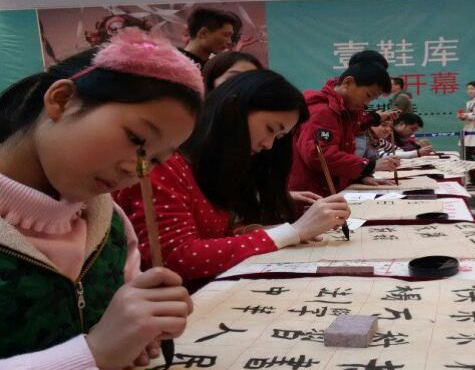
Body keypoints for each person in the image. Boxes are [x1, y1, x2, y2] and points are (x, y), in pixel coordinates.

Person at [0, 29, 202, 370]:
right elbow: (98, 348)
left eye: (156, 160)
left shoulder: (109, 225)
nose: (137, 169)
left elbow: (117, 330)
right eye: (136, 139)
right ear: (61, 100)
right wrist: (93, 352)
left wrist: (139, 330)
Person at [117, 69, 351, 282]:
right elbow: (175, 258)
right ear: (232, 108)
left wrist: (268, 230)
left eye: (279, 137)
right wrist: (293, 231)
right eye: (270, 129)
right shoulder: (165, 164)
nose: (269, 145)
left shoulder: (216, 166)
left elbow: (213, 233)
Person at [289, 52, 398, 196]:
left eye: (372, 99)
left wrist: (359, 176)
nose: (366, 103)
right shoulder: (323, 111)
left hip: (328, 190)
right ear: (347, 82)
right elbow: (319, 156)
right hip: (313, 194)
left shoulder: (344, 111)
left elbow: (355, 128)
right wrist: (369, 166)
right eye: (368, 95)